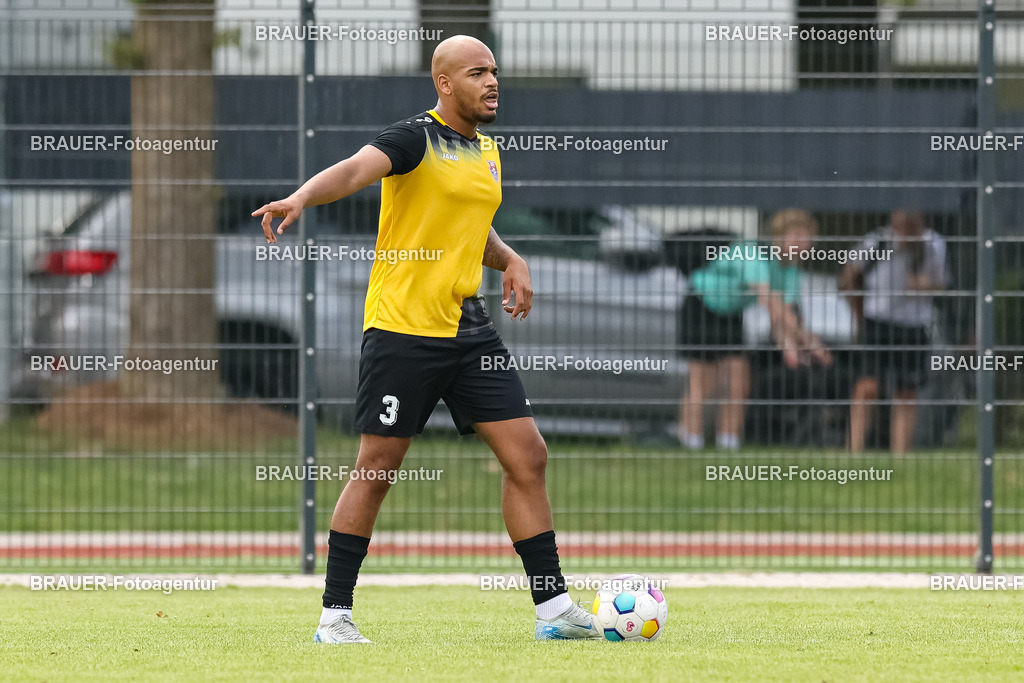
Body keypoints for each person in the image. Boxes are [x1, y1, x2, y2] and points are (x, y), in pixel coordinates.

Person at [252, 35, 601, 644]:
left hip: (468, 329)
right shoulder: (415, 137)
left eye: (494, 71)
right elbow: (356, 169)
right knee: (379, 467)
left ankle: (553, 609)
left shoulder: (487, 149)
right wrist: (302, 196)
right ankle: (335, 616)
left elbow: (469, 226)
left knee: (529, 457)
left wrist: (510, 257)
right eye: (477, 72)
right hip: (403, 330)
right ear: (444, 82)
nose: (492, 82)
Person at [676, 209, 832, 450]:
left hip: (730, 313)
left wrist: (790, 345)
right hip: (701, 304)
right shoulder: (753, 253)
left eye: (807, 237)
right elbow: (770, 302)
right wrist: (809, 342)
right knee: (703, 381)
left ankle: (728, 443)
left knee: (740, 380)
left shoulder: (790, 269)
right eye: (797, 236)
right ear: (779, 237)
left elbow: (786, 315)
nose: (804, 243)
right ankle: (689, 441)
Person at [840, 209, 947, 454]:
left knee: (907, 390)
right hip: (878, 321)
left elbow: (942, 283)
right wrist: (857, 311)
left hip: (914, 324)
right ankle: (852, 451)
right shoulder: (876, 242)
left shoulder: (935, 244)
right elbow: (849, 275)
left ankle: (901, 456)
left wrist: (926, 285)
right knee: (868, 387)